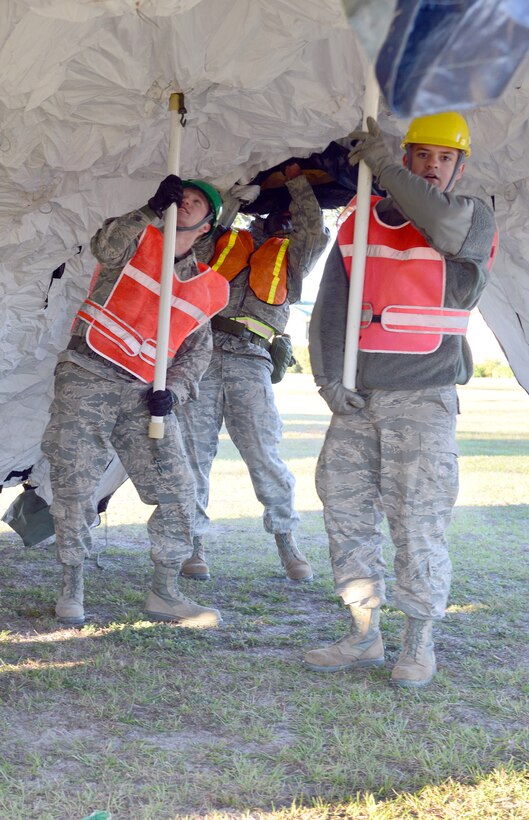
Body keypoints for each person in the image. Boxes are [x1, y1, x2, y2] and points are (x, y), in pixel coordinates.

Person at [305, 112, 497, 687]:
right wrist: (327, 380)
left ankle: (419, 643)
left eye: (444, 158)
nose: (432, 167)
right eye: (421, 156)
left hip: (424, 399)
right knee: (345, 512)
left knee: (417, 524)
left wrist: (384, 167)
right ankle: (363, 634)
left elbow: (439, 223)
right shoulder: (359, 223)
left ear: (458, 167)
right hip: (360, 400)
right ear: (410, 157)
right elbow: (330, 308)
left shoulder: (473, 220)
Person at [42, 175, 229, 628]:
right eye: (181, 197)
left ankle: (165, 592)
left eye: (197, 203)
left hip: (145, 396)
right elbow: (105, 247)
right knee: (75, 486)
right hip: (87, 375)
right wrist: (147, 210)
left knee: (179, 491)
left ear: (206, 226)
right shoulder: (132, 238)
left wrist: (175, 392)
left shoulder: (210, 287)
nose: (185, 203)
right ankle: (73, 585)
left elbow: (195, 354)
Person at [176, 163, 329, 583]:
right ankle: (193, 544)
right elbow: (195, 242)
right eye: (273, 211)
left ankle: (287, 542)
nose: (281, 218)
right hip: (201, 356)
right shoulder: (225, 240)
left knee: (265, 456)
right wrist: (228, 210)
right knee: (192, 456)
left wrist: (296, 182)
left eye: (288, 215)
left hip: (251, 360)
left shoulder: (295, 255)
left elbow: (314, 230)